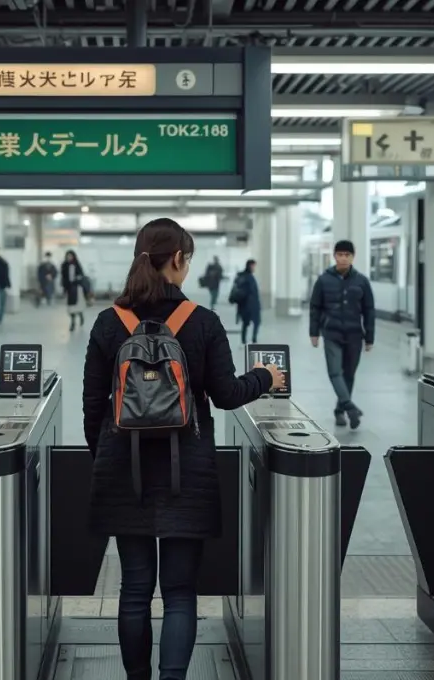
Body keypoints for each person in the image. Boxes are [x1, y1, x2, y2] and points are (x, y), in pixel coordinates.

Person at [83, 218, 285, 680]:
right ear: (177, 260)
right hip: (186, 471)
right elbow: (228, 394)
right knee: (179, 591)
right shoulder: (202, 322)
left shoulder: (108, 323)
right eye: (187, 259)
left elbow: (93, 405)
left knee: (134, 588)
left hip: (123, 470)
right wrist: (266, 378)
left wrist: (106, 462)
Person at [308, 240, 375, 430]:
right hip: (331, 333)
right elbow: (315, 308)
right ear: (335, 256)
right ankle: (350, 407)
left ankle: (340, 409)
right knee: (335, 372)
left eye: (347, 255)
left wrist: (369, 337)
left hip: (355, 335)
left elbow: (369, 310)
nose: (344, 258)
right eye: (340, 254)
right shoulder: (323, 280)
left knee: (349, 375)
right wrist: (314, 333)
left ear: (353, 257)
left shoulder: (362, 281)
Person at [231, 259, 262, 344]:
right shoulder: (248, 277)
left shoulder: (242, 276)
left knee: (246, 323)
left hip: (245, 305)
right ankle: (253, 339)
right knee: (255, 322)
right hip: (249, 305)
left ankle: (244, 340)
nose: (254, 268)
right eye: (253, 266)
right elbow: (250, 292)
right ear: (250, 266)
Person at [62, 249, 86, 331]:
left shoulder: (77, 265)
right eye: (67, 256)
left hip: (77, 288)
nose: (69, 257)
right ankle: (72, 322)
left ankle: (80, 315)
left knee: (78, 305)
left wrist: (77, 279)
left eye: (70, 256)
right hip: (69, 288)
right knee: (71, 307)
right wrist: (64, 288)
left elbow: (82, 275)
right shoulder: (64, 265)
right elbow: (63, 278)